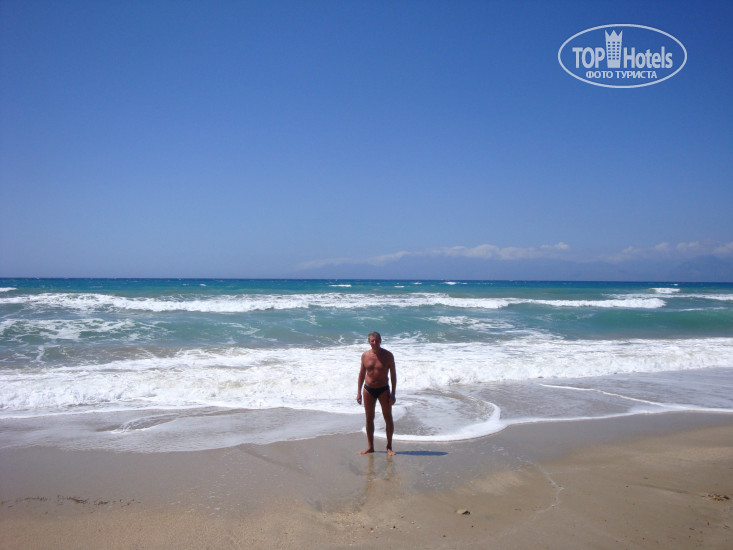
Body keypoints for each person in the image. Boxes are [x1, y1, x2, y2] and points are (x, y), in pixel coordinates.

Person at [356, 331, 396, 456]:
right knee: (369, 418)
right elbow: (362, 374)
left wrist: (393, 394)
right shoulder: (365, 355)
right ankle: (370, 447)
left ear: (380, 341)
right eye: (372, 340)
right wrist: (358, 393)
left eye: (377, 340)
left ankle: (389, 447)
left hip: (384, 389)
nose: (375, 342)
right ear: (369, 342)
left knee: (387, 417)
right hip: (368, 389)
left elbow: (393, 375)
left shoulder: (388, 355)